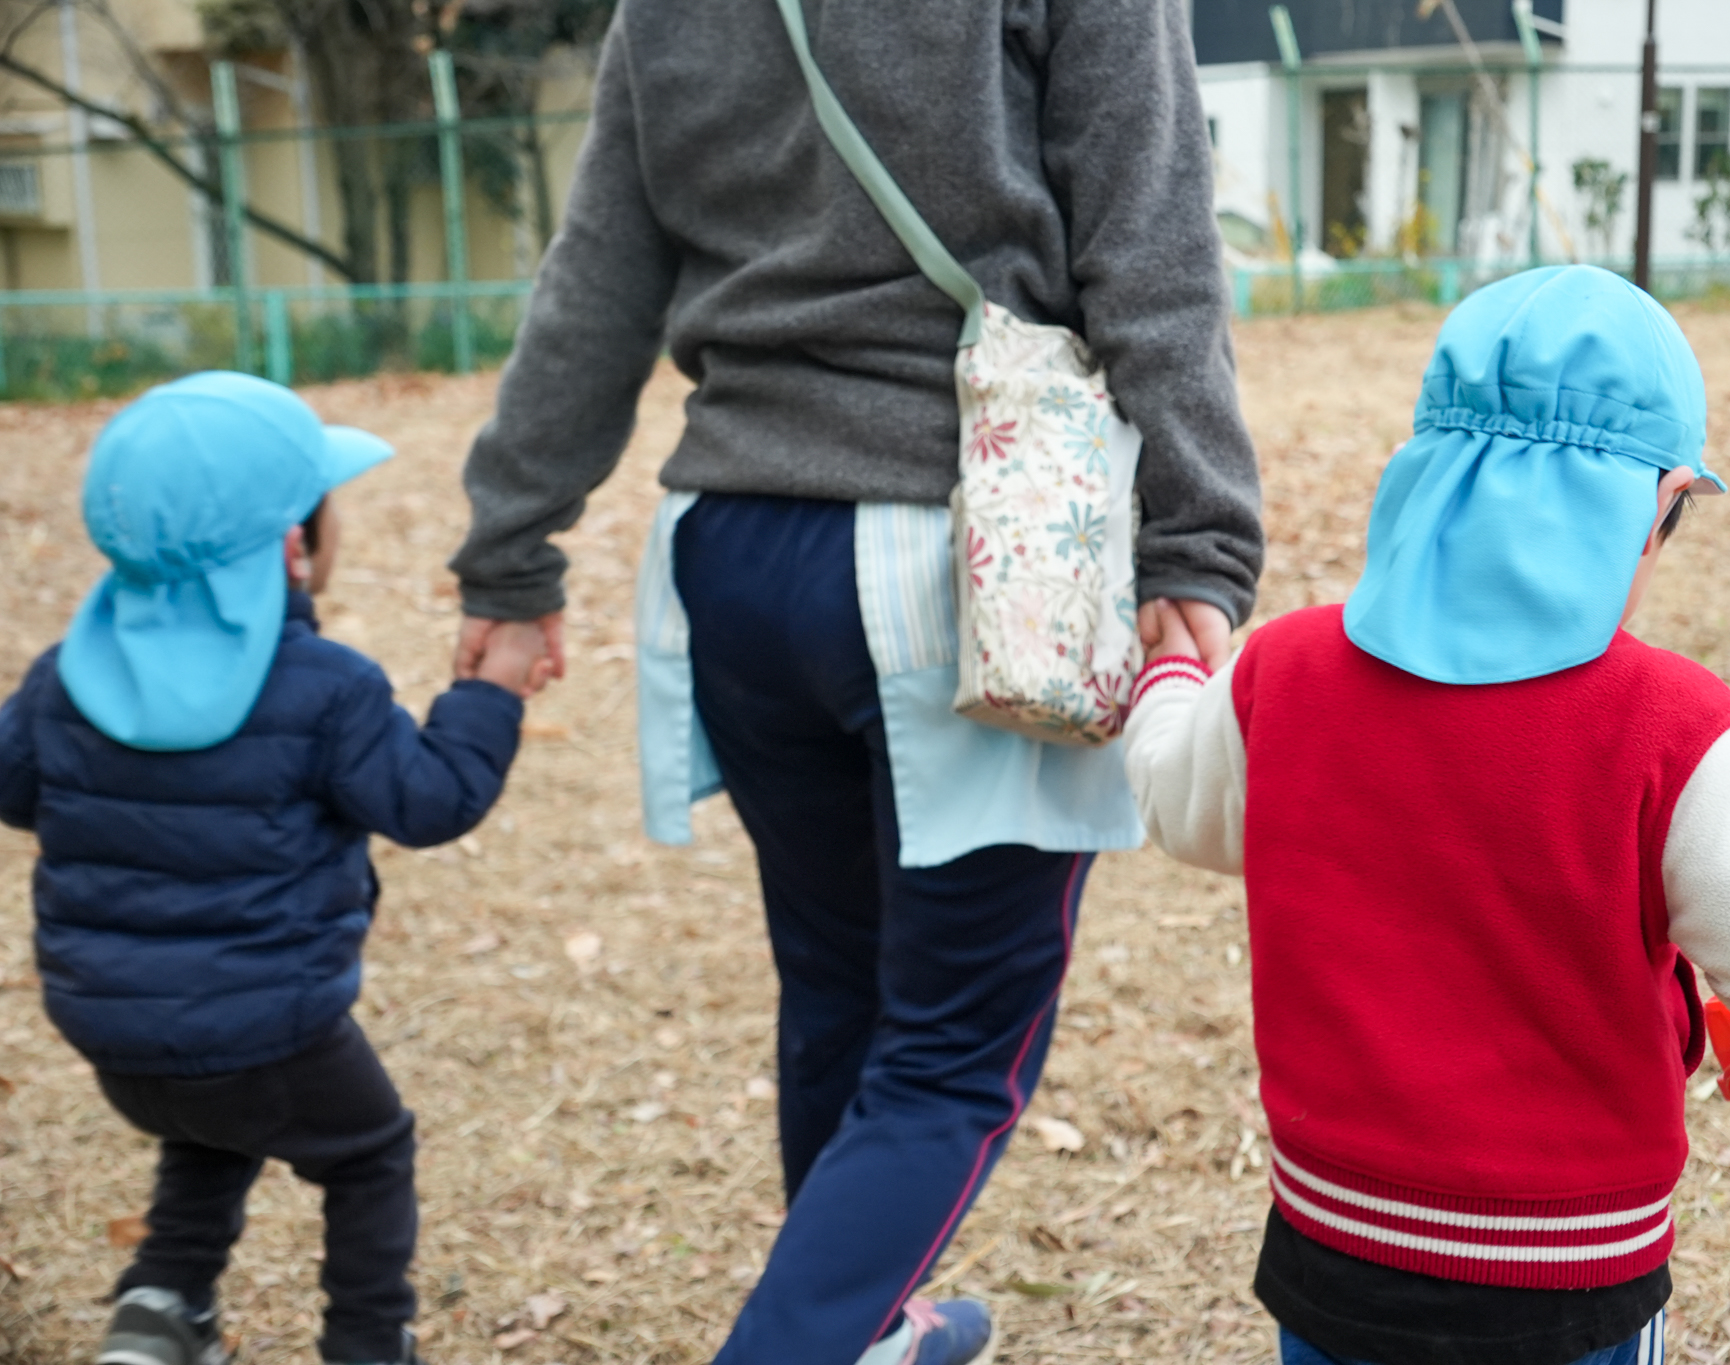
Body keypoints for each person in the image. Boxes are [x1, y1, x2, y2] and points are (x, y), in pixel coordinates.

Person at [447, 2, 1262, 1361]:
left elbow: (598, 274)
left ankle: (872, 1326)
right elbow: (1152, 235)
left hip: (733, 548)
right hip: (965, 553)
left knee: (841, 985)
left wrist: (510, 553)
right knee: (954, 1050)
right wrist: (1201, 536)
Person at [1122, 266, 1730, 1365]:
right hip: (1559, 1275)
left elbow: (1176, 805)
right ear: (1654, 507)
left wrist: (1170, 681)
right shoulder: (1668, 727)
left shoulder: (1281, 675)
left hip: (1330, 1250)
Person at [0, 373, 548, 1365]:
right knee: (367, 1153)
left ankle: (162, 1306)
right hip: (271, 1024)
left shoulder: (60, 682)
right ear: (295, 549)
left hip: (111, 1028)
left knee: (213, 1120)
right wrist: (491, 692)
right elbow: (429, 803)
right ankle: (367, 1342)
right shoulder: (327, 690)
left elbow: (16, 790)